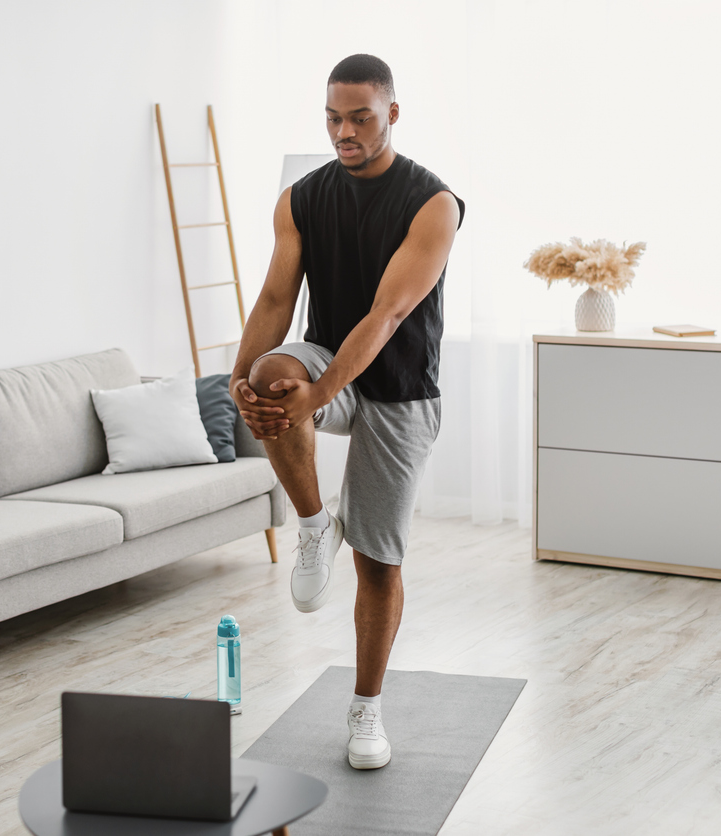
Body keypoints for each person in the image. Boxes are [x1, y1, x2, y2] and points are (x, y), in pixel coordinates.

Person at [229, 53, 464, 770]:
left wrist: (321, 393)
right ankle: (311, 524)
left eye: (360, 118)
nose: (344, 132)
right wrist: (239, 380)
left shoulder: (434, 204)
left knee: (377, 563)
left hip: (400, 389)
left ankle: (366, 710)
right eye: (333, 119)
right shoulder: (300, 199)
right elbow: (276, 298)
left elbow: (388, 314)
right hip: (328, 358)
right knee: (271, 378)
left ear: (392, 112)